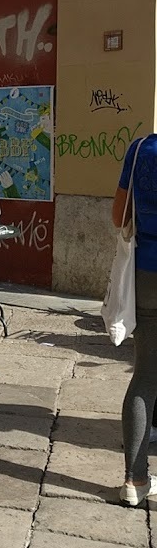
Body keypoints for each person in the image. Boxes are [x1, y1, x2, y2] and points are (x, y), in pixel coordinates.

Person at [113, 134, 157, 506]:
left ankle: (135, 480)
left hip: (146, 274)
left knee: (144, 376)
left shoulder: (141, 149)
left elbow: (119, 215)